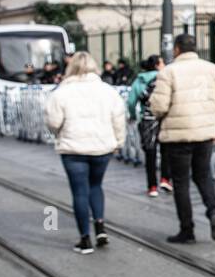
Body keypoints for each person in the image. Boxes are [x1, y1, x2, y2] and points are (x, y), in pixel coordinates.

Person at [44, 52, 126, 254]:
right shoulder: (108, 91)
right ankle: (100, 227)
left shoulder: (61, 92)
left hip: (73, 148)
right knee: (96, 185)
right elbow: (118, 118)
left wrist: (59, 132)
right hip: (101, 147)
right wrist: (118, 141)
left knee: (80, 191)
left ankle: (85, 239)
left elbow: (53, 122)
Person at [149, 33, 215, 244]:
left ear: (176, 49)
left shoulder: (169, 72)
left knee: (181, 182)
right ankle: (213, 211)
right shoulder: (212, 69)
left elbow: (159, 106)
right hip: (205, 133)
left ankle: (187, 229)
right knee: (203, 175)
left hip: (178, 135)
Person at [127, 55, 172, 196]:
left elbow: (131, 102)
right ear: (158, 65)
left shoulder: (139, 81)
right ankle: (165, 178)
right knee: (166, 150)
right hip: (164, 119)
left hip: (147, 120)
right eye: (163, 62)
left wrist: (133, 116)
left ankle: (152, 187)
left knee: (150, 153)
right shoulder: (164, 79)